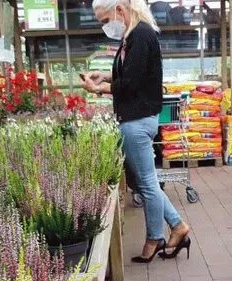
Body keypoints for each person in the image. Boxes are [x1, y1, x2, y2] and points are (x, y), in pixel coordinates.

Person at [81, 0, 191, 263]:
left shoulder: (140, 35)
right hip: (136, 119)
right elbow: (127, 74)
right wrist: (104, 77)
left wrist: (98, 90)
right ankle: (177, 226)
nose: (106, 26)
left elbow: (130, 83)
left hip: (137, 120)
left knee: (147, 185)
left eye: (105, 19)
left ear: (119, 9)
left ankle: (155, 238)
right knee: (148, 182)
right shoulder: (133, 36)